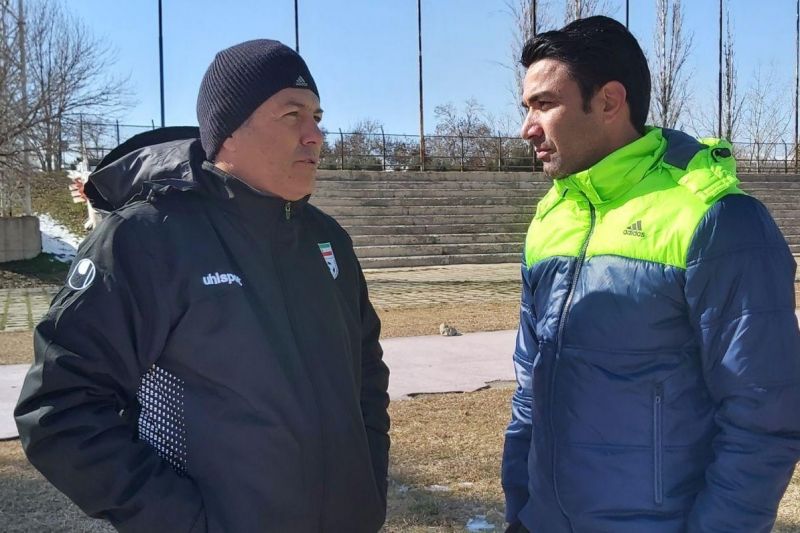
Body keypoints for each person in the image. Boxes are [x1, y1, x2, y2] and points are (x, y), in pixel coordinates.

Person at [15, 39, 390, 533]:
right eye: (292, 115)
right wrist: (184, 521)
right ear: (229, 131)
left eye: (317, 116)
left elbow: (366, 376)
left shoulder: (328, 240)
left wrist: (368, 489)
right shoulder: (145, 240)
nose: (315, 135)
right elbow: (60, 410)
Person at [502, 16, 800, 533]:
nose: (528, 127)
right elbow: (530, 387)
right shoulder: (551, 219)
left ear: (610, 101)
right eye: (526, 107)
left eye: (545, 104)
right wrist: (522, 510)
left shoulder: (717, 218)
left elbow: (763, 416)